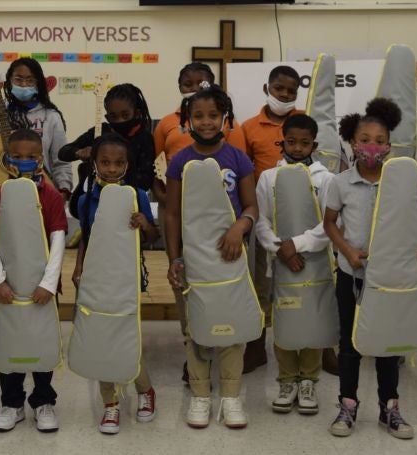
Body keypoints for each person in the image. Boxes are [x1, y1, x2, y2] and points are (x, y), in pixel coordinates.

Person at [322, 98, 417, 440]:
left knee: (386, 345)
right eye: (364, 139)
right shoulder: (340, 182)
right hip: (352, 276)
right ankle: (347, 405)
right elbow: (329, 222)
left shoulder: (400, 183)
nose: (372, 146)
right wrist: (346, 250)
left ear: (390, 145)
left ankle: (389, 407)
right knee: (349, 343)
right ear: (352, 142)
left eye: (379, 140)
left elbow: (410, 224)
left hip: (388, 278)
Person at [163, 84, 258, 429]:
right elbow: (171, 214)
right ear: (188, 121)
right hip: (194, 259)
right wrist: (174, 258)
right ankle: (201, 395)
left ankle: (231, 397)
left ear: (225, 119)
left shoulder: (237, 157)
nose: (206, 122)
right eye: (198, 116)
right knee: (196, 330)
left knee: (231, 330)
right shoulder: (181, 162)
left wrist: (239, 228)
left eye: (213, 116)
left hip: (231, 256)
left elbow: (251, 206)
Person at [71, 134, 160, 435]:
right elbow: (86, 236)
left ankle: (145, 390)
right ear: (94, 163)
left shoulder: (138, 195)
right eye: (105, 163)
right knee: (99, 339)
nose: (111, 169)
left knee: (125, 337)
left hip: (126, 277)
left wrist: (144, 224)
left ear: (128, 164)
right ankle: (110, 404)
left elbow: (152, 236)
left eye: (118, 163)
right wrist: (78, 268)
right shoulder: (85, 200)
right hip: (96, 277)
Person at [0, 129, 69, 433]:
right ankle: (12, 403)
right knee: (10, 342)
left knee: (42, 342)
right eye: (17, 156)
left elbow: (59, 239)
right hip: (8, 287)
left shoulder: (52, 196)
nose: (24, 161)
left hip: (42, 287)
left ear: (41, 159)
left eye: (31, 157)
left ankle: (44, 401)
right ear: (7, 160)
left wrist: (48, 282)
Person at [252, 114, 334, 414]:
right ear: (281, 141)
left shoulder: (326, 179)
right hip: (282, 262)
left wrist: (296, 245)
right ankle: (287, 380)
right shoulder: (268, 178)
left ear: (314, 144)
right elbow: (261, 221)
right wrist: (280, 249)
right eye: (291, 142)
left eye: (304, 143)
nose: (297, 148)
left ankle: (309, 380)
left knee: (312, 320)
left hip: (314, 261)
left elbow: (330, 223)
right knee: (285, 319)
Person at [151, 63, 228, 384]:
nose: (194, 86)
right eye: (187, 82)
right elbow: (150, 164)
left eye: (201, 81)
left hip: (219, 221)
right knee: (185, 284)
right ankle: (192, 352)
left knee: (219, 285)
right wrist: (164, 197)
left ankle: (221, 346)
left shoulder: (225, 123)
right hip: (180, 219)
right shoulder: (168, 124)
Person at [227, 65, 304, 374]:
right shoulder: (248, 128)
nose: (284, 95)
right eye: (279, 89)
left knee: (301, 282)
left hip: (300, 214)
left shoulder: (303, 122)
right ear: (266, 89)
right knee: (260, 284)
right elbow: (243, 171)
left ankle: (308, 346)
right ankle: (256, 347)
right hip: (262, 215)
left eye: (291, 92)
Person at [0, 58, 71, 206]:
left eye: (30, 80)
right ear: (9, 81)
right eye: (18, 79)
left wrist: (63, 190)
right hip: (3, 196)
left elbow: (61, 162)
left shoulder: (51, 117)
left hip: (42, 195)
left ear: (38, 84)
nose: (24, 84)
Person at [59, 83, 156, 217]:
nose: (120, 120)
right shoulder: (100, 131)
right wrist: (79, 152)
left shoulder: (144, 138)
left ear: (137, 113)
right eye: (113, 117)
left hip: (127, 204)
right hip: (92, 201)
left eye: (125, 115)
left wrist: (115, 175)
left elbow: (146, 180)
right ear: (107, 117)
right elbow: (63, 152)